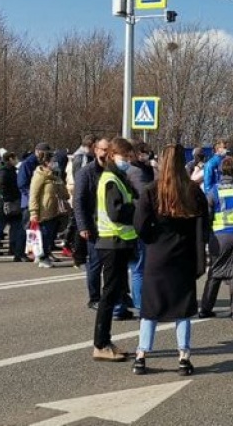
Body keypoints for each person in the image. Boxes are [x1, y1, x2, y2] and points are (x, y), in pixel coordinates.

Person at [132, 144, 208, 376]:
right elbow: (203, 227)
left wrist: (152, 238)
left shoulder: (152, 190)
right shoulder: (193, 192)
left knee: (151, 307)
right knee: (183, 308)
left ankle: (141, 356)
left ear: (163, 163)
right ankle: (184, 357)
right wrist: (200, 255)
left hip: (157, 254)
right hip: (184, 255)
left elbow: (139, 225)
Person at [92, 138, 137, 362]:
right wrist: (136, 210)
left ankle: (106, 341)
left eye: (129, 157)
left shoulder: (118, 178)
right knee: (108, 296)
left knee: (113, 294)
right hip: (112, 241)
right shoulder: (110, 180)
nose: (127, 161)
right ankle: (100, 344)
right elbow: (116, 213)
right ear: (113, 155)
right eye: (124, 157)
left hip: (119, 242)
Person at [199, 157, 233, 320]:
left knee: (215, 272)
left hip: (220, 235)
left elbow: (207, 214)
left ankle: (205, 309)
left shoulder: (215, 190)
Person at [74, 138, 110, 311]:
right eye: (102, 150)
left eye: (108, 150)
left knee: (111, 265)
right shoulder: (86, 173)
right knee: (95, 264)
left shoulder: (112, 171)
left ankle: (115, 296)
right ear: (95, 150)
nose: (105, 153)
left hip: (111, 225)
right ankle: (94, 297)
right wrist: (83, 226)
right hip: (93, 225)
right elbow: (78, 201)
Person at [125, 141, 155, 313]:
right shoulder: (136, 171)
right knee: (138, 267)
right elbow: (145, 196)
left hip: (135, 221)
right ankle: (140, 302)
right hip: (139, 221)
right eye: (144, 153)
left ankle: (137, 299)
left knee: (137, 266)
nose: (147, 156)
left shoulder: (142, 169)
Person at [28, 147, 69, 268]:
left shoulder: (54, 176)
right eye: (53, 161)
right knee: (44, 235)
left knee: (50, 235)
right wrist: (33, 212)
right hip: (43, 211)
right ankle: (42, 257)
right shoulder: (40, 175)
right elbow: (33, 195)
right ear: (46, 162)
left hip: (54, 210)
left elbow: (64, 194)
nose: (55, 163)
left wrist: (60, 181)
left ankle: (44, 254)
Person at [0, 152, 28, 261]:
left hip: (11, 201)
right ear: (10, 159)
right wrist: (7, 199)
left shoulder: (10, 169)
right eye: (15, 158)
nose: (16, 160)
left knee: (15, 225)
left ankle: (13, 247)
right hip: (6, 202)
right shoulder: (4, 171)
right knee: (1, 224)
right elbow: (2, 186)